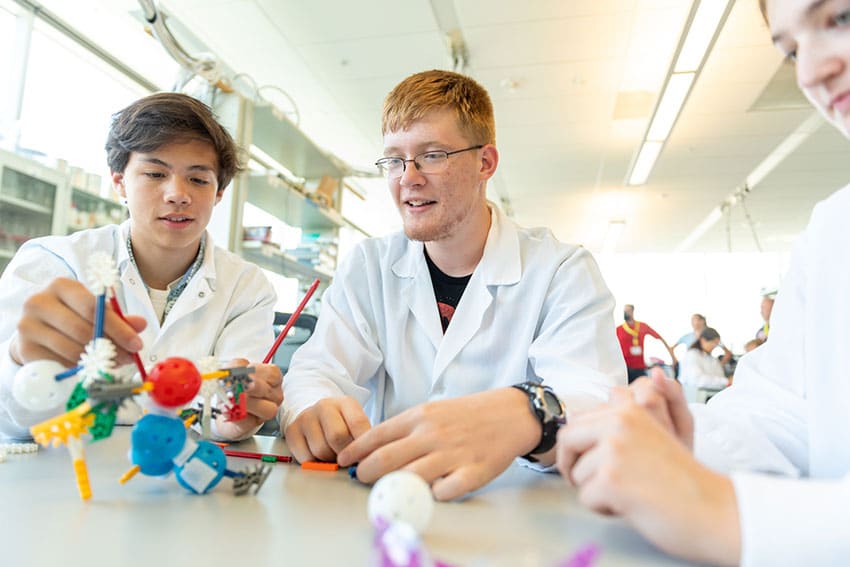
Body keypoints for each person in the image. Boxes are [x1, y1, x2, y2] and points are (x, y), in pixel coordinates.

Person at [555, 0, 850, 564]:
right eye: (789, 51)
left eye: (840, 18)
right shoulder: (834, 230)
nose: (810, 73)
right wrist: (681, 443)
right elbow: (782, 411)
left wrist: (721, 512)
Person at [281, 69, 624, 501]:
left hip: (516, 513)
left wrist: (522, 416)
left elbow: (593, 396)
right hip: (385, 504)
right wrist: (312, 407)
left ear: (485, 163)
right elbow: (317, 370)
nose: (408, 177)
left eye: (433, 155)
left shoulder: (561, 270)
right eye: (394, 159)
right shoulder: (368, 266)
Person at [0, 92, 283, 441]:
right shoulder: (52, 262)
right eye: (154, 173)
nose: (177, 194)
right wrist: (18, 358)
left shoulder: (246, 288)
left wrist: (236, 418)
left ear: (219, 193)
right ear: (119, 181)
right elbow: (9, 420)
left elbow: (228, 408)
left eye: (198, 179)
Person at [615, 304, 677, 383]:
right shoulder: (618, 329)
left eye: (628, 311)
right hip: (625, 368)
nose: (625, 313)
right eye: (624, 311)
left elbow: (660, 338)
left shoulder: (642, 326)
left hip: (640, 367)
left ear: (632, 311)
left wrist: (673, 357)